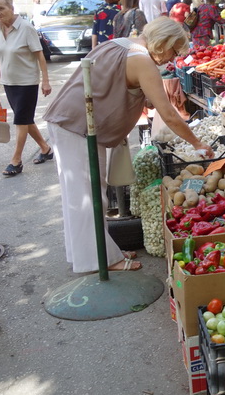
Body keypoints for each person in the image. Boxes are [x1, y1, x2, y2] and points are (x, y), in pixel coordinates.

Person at [43, 17, 214, 273]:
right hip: (77, 125)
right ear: (164, 42)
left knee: (85, 194)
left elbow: (111, 85)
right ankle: (98, 261)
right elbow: (168, 114)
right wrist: (198, 143)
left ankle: (96, 252)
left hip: (72, 121)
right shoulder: (143, 61)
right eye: (173, 51)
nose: (172, 59)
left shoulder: (121, 44)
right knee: (86, 197)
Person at [0, 0, 53, 177]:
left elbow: (40, 55)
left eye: (1, 8)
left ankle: (16, 160)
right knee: (25, 120)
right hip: (9, 83)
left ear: (11, 8)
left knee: (21, 120)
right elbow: (0, 58)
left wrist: (45, 81)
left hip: (27, 82)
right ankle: (46, 149)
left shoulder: (26, 27)